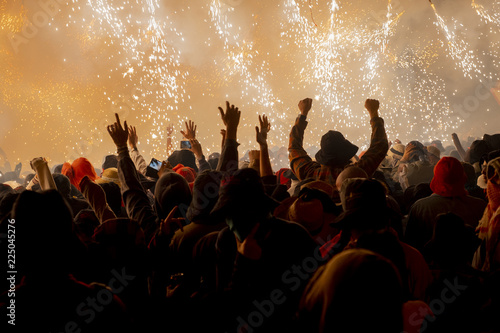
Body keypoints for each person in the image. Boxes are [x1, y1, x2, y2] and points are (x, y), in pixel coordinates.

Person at [288, 98, 388, 198]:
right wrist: (373, 112)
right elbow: (379, 146)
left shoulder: (311, 174)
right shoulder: (355, 174)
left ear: (323, 155)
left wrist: (303, 114)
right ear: (346, 153)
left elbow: (294, 148)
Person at [405, 157, 487, 251]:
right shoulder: (480, 206)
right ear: (463, 177)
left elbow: (411, 244)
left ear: (436, 178)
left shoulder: (420, 207)